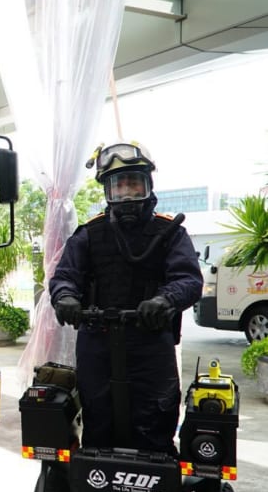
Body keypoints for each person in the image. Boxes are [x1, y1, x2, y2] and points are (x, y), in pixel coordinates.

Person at [49, 142, 202, 455]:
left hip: (149, 341)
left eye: (134, 183)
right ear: (108, 191)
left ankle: (156, 482)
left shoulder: (170, 231)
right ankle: (94, 485)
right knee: (97, 415)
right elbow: (65, 276)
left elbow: (189, 279)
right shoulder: (88, 234)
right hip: (97, 342)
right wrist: (65, 297)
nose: (128, 193)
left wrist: (165, 300)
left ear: (148, 185)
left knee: (155, 416)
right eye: (119, 186)